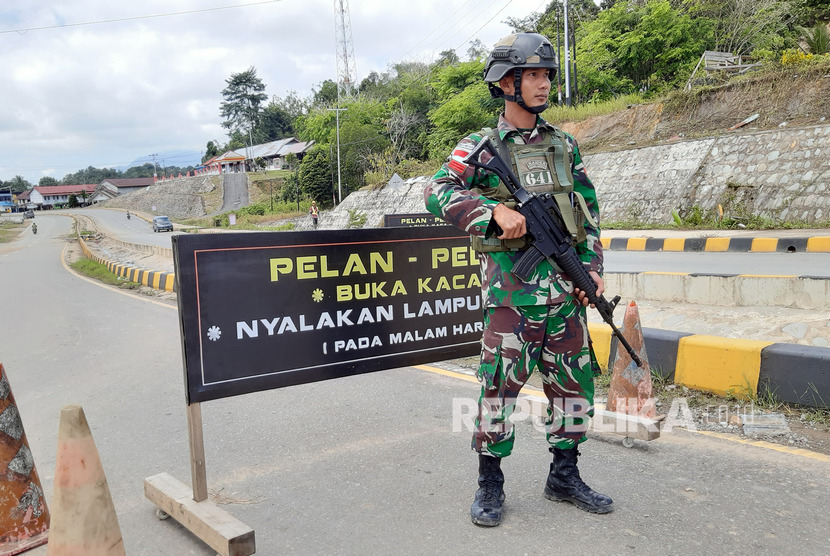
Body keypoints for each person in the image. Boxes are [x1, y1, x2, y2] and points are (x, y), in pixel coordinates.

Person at [423, 32, 612, 527]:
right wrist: (491, 211)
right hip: (511, 300)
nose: (543, 83)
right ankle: (490, 484)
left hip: (564, 297)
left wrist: (589, 271)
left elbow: (588, 215)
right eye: (532, 74)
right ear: (506, 83)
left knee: (574, 389)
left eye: (547, 74)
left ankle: (564, 475)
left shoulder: (563, 144)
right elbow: (436, 191)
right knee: (497, 392)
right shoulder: (480, 146)